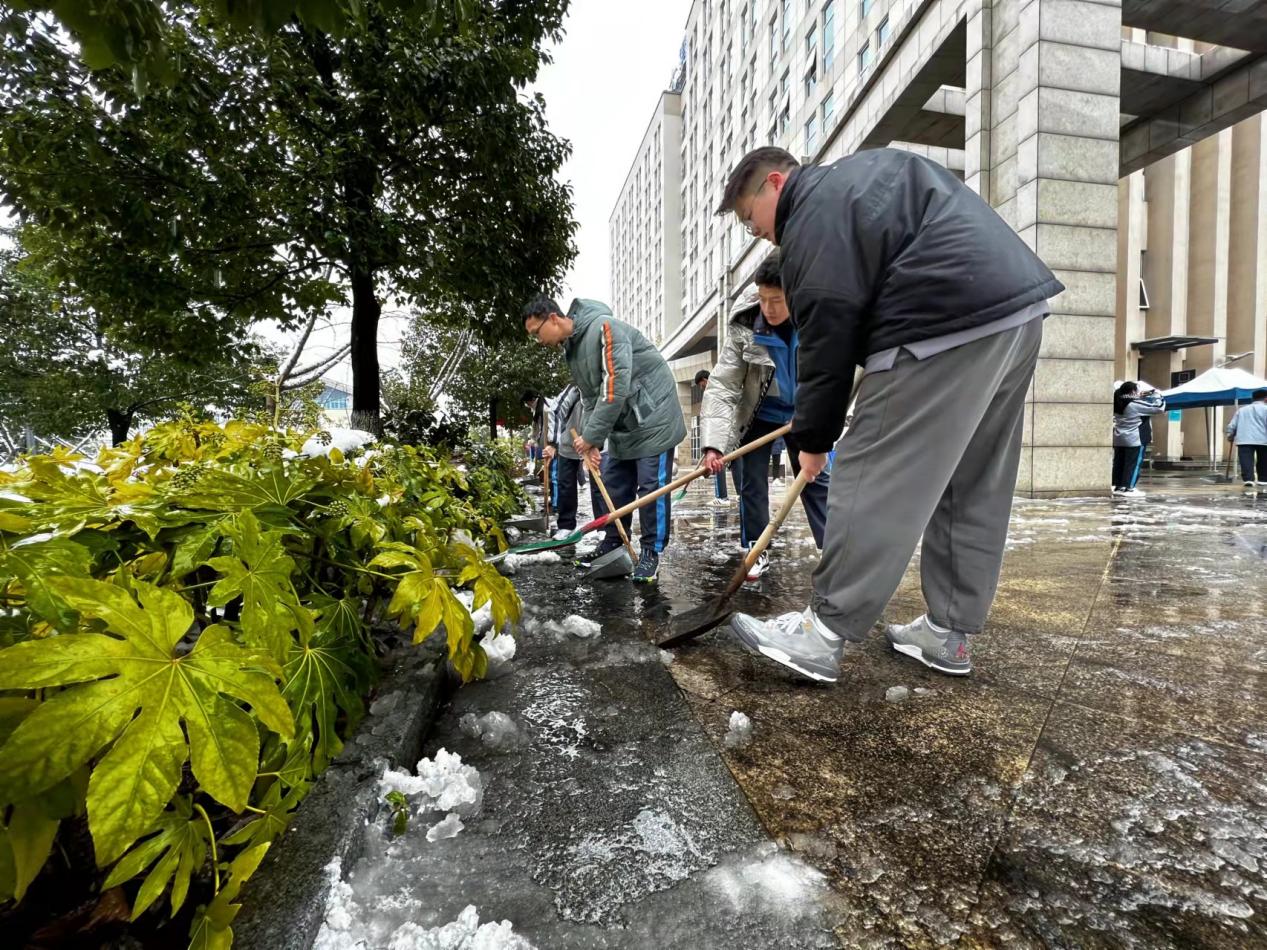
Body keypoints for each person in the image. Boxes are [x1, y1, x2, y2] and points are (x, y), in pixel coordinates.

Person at [716, 145, 1064, 682]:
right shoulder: (865, 175)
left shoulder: (810, 218)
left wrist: (814, 440)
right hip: (1016, 312)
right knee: (972, 480)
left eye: (748, 217)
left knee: (869, 471)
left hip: (938, 320)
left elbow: (827, 337)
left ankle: (822, 634)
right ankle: (948, 632)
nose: (756, 231)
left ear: (777, 183)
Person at [522, 294, 687, 583]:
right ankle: (614, 542)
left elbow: (614, 386)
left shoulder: (605, 328)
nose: (538, 340)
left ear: (553, 318)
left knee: (651, 487)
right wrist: (593, 443)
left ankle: (651, 551)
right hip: (624, 423)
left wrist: (590, 437)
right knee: (614, 483)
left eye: (537, 332)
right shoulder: (572, 351)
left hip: (654, 416)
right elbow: (589, 398)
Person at [700, 250, 830, 582]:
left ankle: (834, 551)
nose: (768, 308)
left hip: (804, 412)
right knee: (752, 483)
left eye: (777, 300)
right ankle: (756, 550)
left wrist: (820, 417)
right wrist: (714, 445)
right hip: (759, 413)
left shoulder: (818, 317)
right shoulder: (746, 324)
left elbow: (837, 374)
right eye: (763, 299)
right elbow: (724, 386)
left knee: (816, 479)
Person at [543, 383, 602, 540]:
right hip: (569, 442)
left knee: (600, 484)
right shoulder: (575, 388)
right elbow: (555, 410)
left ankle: (603, 526)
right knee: (565, 484)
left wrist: (595, 443)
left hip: (596, 443)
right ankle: (566, 525)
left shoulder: (604, 385)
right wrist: (553, 443)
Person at [695, 369, 740, 508]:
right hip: (732, 432)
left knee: (717, 462)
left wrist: (712, 443)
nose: (702, 388)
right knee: (736, 462)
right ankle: (741, 494)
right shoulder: (724, 387)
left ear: (705, 380)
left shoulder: (714, 392)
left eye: (701, 385)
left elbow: (714, 418)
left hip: (723, 434)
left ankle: (722, 497)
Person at [1112, 382, 1165, 497]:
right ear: (1132, 391)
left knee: (1119, 463)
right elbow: (1159, 408)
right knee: (1133, 464)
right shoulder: (1134, 404)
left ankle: (1118, 486)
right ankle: (1129, 488)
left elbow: (1131, 401)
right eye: (1137, 390)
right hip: (1134, 439)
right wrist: (1158, 396)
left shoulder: (1117, 402)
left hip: (1119, 438)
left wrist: (1140, 396)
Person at [1227, 388, 1267, 490]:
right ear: (1266, 399)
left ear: (1253, 399)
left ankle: (1248, 479)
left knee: (1246, 460)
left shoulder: (1242, 410)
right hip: (1263, 439)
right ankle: (1263, 479)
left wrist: (1230, 435)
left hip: (1244, 439)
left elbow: (1232, 425)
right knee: (1264, 459)